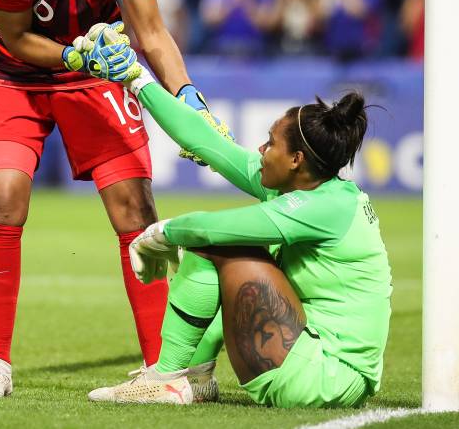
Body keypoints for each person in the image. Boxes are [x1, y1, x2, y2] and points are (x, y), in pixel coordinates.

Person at [0, 0, 229, 399]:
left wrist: (186, 95)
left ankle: (164, 370)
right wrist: (69, 55)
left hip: (94, 71)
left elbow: (151, 31)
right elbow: (14, 36)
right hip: (14, 73)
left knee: (135, 205)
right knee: (4, 195)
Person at [85, 60, 392, 408]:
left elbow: (208, 229)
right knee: (226, 246)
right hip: (333, 372)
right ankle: (193, 378)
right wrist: (138, 80)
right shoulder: (315, 189)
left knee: (218, 244)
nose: (261, 150)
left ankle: (166, 379)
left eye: (270, 143)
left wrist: (160, 233)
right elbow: (204, 141)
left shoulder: (321, 208)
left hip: (320, 374)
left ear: (296, 160)